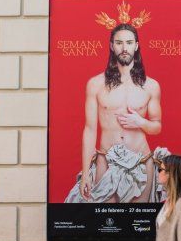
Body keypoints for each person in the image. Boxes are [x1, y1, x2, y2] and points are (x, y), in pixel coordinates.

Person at [66, 15, 168, 203]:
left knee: (138, 224)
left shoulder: (151, 85)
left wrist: (141, 122)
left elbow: (157, 126)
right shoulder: (96, 84)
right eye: (119, 43)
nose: (124, 48)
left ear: (136, 46)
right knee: (106, 224)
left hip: (140, 162)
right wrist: (87, 173)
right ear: (112, 46)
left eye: (129, 42)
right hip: (107, 161)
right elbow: (89, 130)